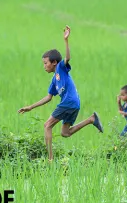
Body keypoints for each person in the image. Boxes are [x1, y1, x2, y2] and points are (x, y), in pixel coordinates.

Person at [18, 25, 104, 161]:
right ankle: (91, 119)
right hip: (74, 104)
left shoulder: (61, 68)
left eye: (45, 63)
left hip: (68, 102)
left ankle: (50, 159)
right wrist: (30, 107)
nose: (44, 66)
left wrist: (66, 41)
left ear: (54, 62)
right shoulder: (54, 80)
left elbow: (67, 58)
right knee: (65, 133)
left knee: (47, 126)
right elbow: (48, 97)